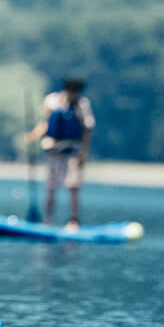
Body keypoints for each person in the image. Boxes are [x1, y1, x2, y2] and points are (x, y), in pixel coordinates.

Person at [26, 77, 95, 229]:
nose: (74, 96)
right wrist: (33, 135)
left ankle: (74, 220)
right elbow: (46, 123)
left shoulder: (82, 105)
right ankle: (47, 220)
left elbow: (87, 130)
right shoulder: (52, 101)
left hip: (72, 151)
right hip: (54, 151)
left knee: (73, 185)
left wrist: (84, 153)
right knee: (51, 187)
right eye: (72, 92)